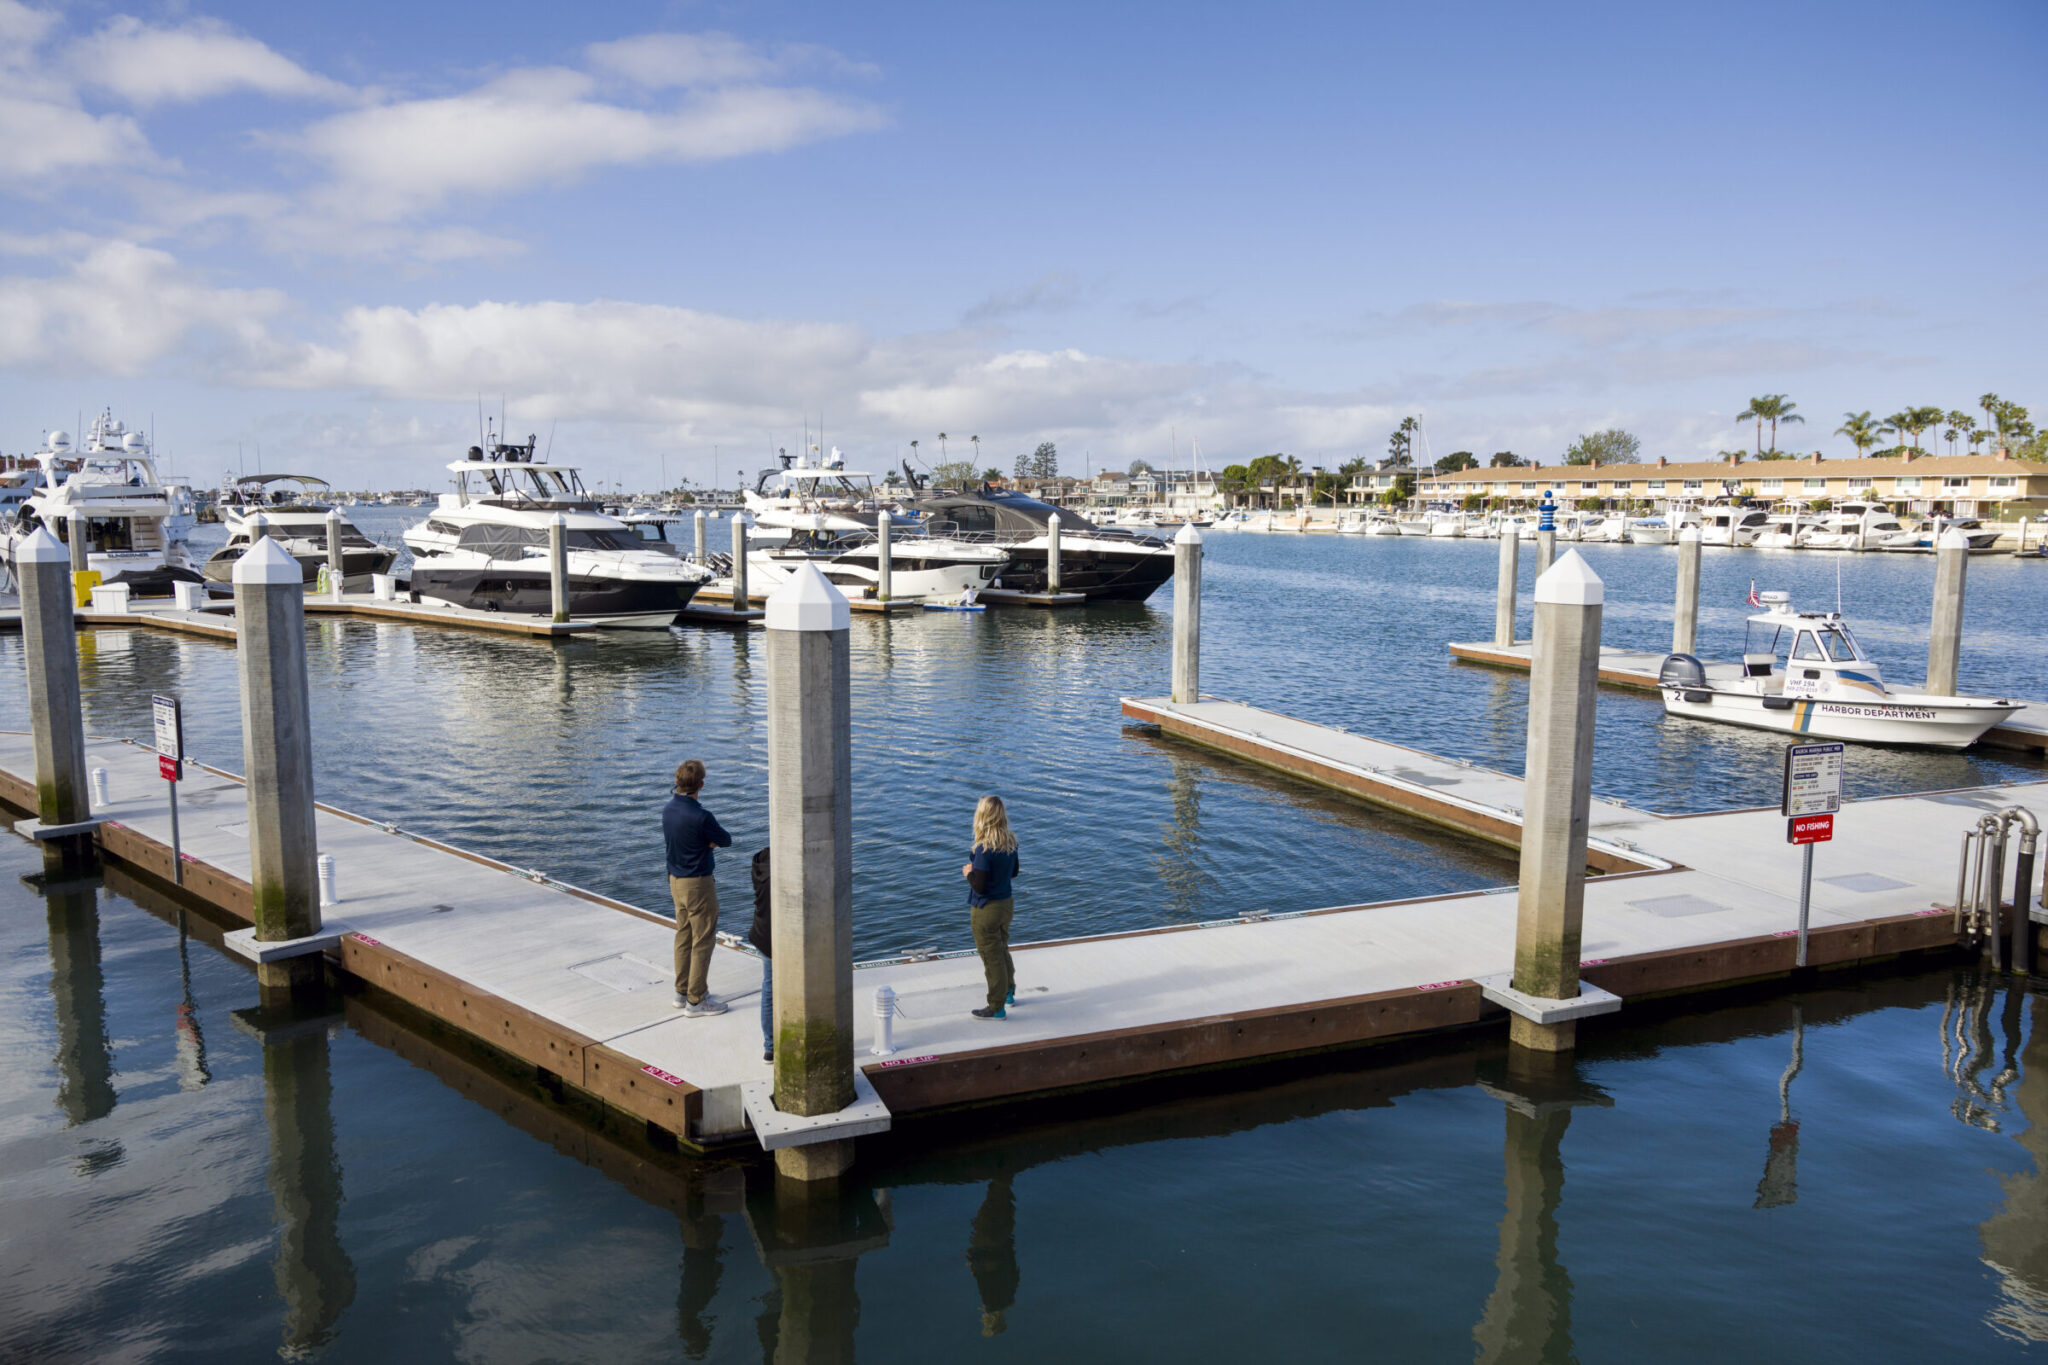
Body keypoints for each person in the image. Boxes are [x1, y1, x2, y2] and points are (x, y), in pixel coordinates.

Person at [664, 758, 731, 1016]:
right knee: (703, 939)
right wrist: (708, 844)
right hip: (698, 883)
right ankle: (696, 1000)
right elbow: (726, 839)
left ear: (677, 781)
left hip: (675, 880)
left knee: (683, 935)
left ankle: (681, 992)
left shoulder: (668, 809)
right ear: (701, 785)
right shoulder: (701, 816)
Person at [962, 794, 1020, 1020]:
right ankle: (1009, 992)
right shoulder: (1010, 842)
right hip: (1006, 905)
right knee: (1001, 948)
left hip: (986, 910)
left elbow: (980, 887)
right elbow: (1014, 873)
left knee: (991, 956)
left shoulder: (984, 848)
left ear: (982, 816)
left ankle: (996, 1006)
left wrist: (969, 873)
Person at [749, 847, 773, 1062]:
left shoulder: (760, 862)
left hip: (761, 933)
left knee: (769, 988)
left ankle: (770, 1046)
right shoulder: (784, 873)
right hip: (779, 938)